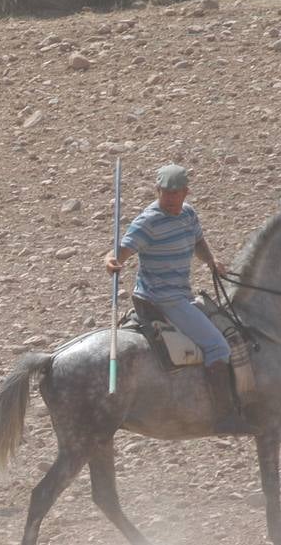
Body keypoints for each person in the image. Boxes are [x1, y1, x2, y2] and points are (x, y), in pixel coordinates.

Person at [104, 164, 248, 434]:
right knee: (218, 347)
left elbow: (198, 243)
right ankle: (224, 415)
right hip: (161, 299)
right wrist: (111, 261)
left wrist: (211, 260)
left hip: (181, 293)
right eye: (164, 193)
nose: (169, 199)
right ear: (157, 191)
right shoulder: (148, 221)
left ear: (186, 192)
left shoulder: (189, 214)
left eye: (175, 194)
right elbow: (120, 251)